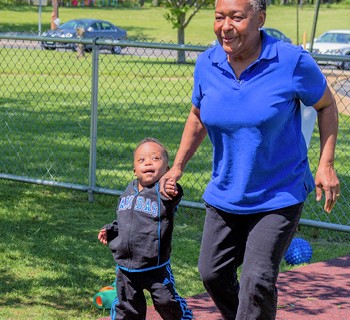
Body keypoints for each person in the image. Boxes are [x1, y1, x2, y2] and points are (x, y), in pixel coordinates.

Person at [159, 0, 340, 319]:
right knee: (212, 274)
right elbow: (198, 117)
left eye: (236, 17)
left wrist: (325, 163)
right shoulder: (207, 63)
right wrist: (177, 166)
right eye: (219, 17)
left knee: (256, 281)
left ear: (260, 19)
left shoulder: (291, 61)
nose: (225, 26)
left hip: (278, 194)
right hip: (226, 192)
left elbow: (326, 105)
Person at [98, 137, 193, 320]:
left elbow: (173, 195)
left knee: (167, 304)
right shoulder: (129, 190)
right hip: (126, 268)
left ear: (167, 169)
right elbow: (125, 220)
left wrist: (172, 186)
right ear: (134, 170)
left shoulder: (163, 191)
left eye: (155, 158)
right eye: (141, 160)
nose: (148, 162)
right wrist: (111, 230)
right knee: (126, 310)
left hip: (155, 267)